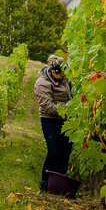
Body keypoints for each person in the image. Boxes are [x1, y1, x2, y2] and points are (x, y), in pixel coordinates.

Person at [35, 54, 73, 192]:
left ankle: (58, 184)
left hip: (66, 119)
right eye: (62, 75)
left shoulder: (65, 78)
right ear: (53, 72)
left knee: (66, 151)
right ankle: (45, 183)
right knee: (54, 151)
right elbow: (49, 107)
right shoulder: (41, 83)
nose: (64, 77)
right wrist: (70, 108)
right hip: (50, 120)